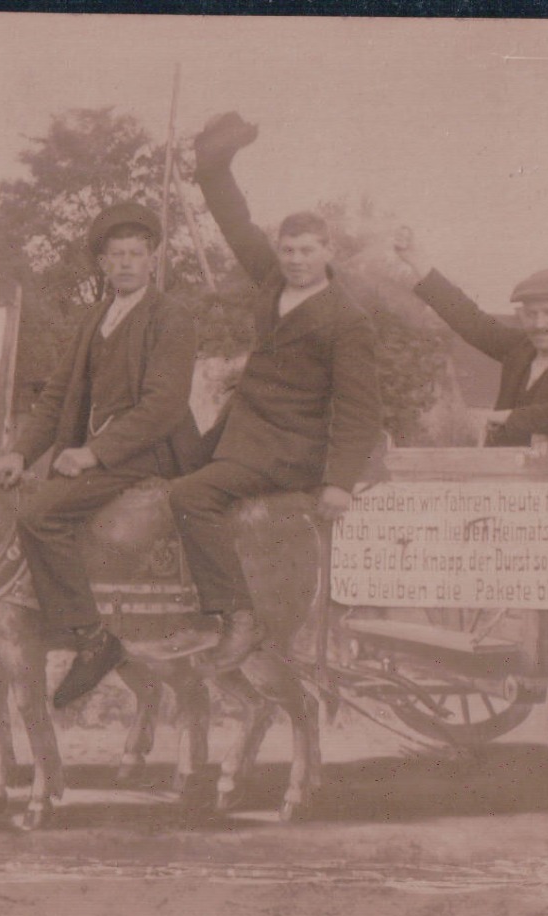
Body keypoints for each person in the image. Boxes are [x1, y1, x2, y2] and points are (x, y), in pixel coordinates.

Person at [176, 111, 383, 672]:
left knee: (190, 497)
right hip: (243, 431)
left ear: (328, 251)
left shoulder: (348, 321)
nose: (295, 260)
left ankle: (237, 616)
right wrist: (213, 169)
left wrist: (339, 483)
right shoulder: (274, 281)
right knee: (162, 462)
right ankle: (175, 605)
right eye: (288, 250)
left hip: (288, 453)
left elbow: (360, 412)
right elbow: (237, 226)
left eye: (307, 250)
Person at [0, 202, 201, 708]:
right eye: (115, 255)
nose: (126, 263)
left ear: (153, 259)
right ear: (102, 264)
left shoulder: (170, 316)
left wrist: (94, 454)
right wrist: (20, 453)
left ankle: (91, 639)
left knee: (39, 515)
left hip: (154, 451)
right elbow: (57, 395)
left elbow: (164, 406)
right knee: (17, 503)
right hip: (99, 454)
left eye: (136, 254)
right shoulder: (96, 318)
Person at [393, 227, 548, 447]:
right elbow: (471, 320)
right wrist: (418, 262)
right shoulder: (522, 347)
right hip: (510, 475)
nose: (540, 324)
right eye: (531, 314)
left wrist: (508, 418)